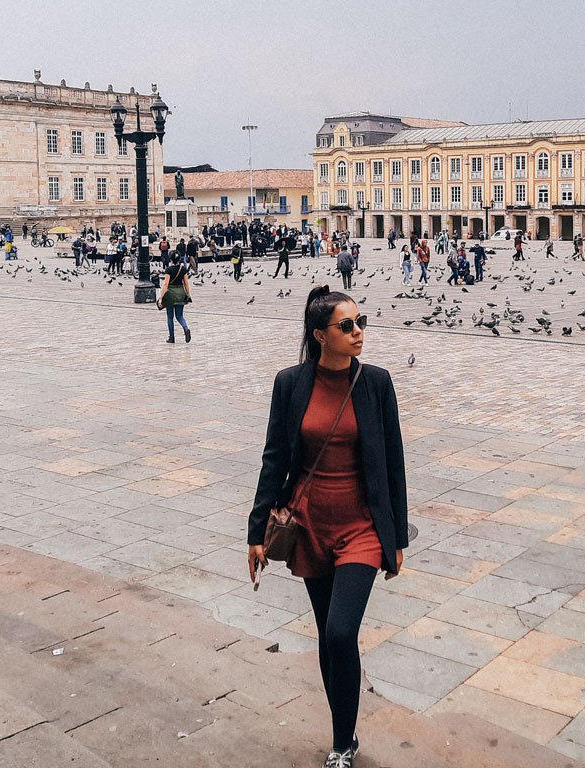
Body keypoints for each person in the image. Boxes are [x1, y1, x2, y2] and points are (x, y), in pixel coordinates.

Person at [247, 286, 407, 768]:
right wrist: (256, 531)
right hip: (311, 524)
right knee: (327, 635)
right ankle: (344, 738)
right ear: (320, 335)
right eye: (347, 326)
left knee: (340, 633)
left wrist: (395, 538)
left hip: (361, 527)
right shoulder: (291, 384)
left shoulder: (376, 382)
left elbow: (393, 463)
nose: (359, 332)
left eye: (361, 322)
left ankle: (342, 742)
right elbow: (274, 458)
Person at [156, 258, 192, 343]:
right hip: (180, 293)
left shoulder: (169, 270)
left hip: (170, 294)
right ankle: (186, 328)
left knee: (170, 316)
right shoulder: (183, 269)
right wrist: (188, 294)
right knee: (179, 316)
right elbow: (186, 283)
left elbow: (165, 284)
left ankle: (171, 337)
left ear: (171, 260)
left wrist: (161, 297)